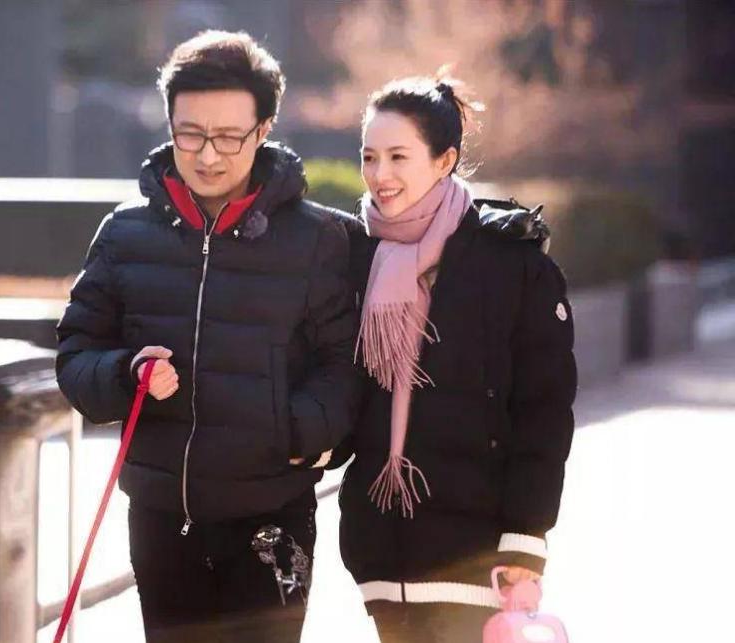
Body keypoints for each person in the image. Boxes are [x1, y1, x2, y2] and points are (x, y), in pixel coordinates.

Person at [55, 30, 358, 642]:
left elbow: (346, 364)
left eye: (228, 137)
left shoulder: (318, 239)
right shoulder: (124, 235)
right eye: (190, 134)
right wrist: (125, 375)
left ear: (264, 129)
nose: (208, 156)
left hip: (272, 520)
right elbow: (75, 357)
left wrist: (300, 431)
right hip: (162, 519)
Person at [335, 76, 577, 642]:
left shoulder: (511, 265)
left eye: (398, 156)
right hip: (382, 555)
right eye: (369, 157)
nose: (379, 174)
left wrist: (526, 538)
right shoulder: (354, 257)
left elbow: (543, 411)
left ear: (444, 160)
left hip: (476, 556)